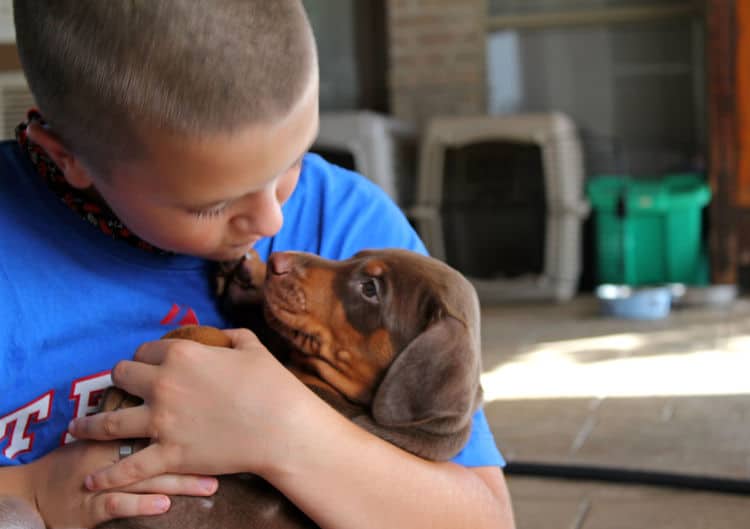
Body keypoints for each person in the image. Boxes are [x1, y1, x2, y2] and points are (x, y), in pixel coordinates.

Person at [0, 1, 516, 528]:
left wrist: (284, 429)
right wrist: (35, 488)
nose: (272, 223)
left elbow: (483, 521)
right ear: (70, 157)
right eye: (213, 204)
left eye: (292, 160)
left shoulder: (341, 219)